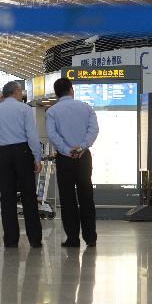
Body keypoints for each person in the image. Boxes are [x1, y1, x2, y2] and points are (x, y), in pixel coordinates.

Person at [45, 77, 99, 248]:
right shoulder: (86, 107)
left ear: (56, 94)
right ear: (71, 90)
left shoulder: (52, 111)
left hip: (64, 159)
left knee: (67, 199)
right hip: (83, 157)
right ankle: (90, 238)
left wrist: (67, 150)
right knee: (86, 197)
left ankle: (73, 239)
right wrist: (82, 146)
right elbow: (94, 129)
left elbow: (52, 135)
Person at [0, 81, 43, 248]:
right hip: (23, 151)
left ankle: (11, 240)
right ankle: (34, 239)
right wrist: (37, 157)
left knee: (7, 196)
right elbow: (31, 134)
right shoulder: (25, 108)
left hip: (5, 153)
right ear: (16, 92)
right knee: (28, 195)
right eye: (21, 92)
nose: (22, 95)